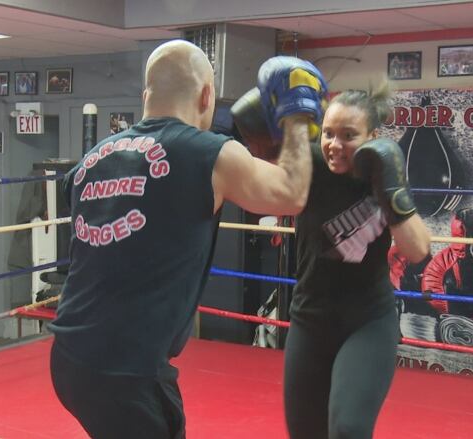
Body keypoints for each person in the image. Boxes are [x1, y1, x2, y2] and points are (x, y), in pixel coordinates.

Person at [48, 39, 327, 439]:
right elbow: (291, 194)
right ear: (206, 94)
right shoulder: (207, 152)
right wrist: (297, 119)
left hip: (69, 359)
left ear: (146, 95)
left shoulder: (92, 158)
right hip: (129, 371)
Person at [284, 82, 431, 439]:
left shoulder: (383, 171)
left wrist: (391, 192)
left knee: (349, 429)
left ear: (373, 136)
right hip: (310, 318)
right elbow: (270, 198)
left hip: (367, 320)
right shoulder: (312, 165)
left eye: (348, 136)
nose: (335, 145)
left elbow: (418, 251)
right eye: (329, 133)